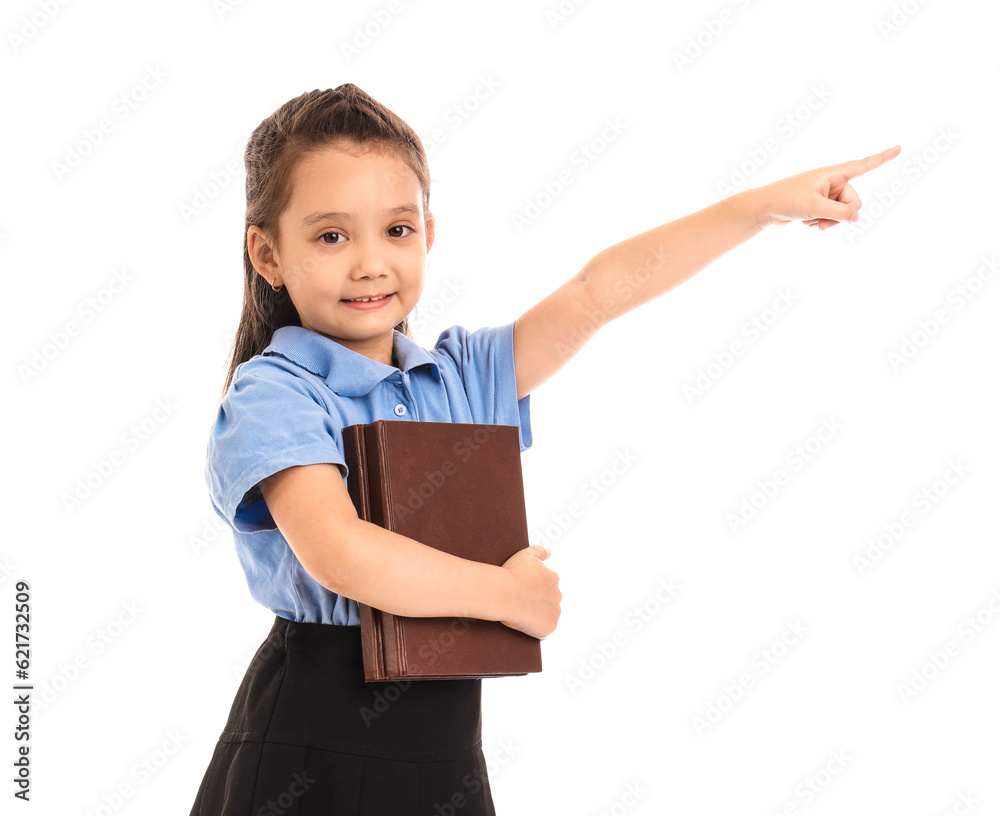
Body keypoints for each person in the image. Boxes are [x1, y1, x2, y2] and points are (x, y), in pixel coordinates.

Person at [188, 82, 900, 814]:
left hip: (444, 743)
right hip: (314, 739)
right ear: (268, 254)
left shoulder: (460, 375)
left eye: (396, 230)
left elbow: (601, 290)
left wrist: (761, 208)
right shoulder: (276, 391)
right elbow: (339, 553)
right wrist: (506, 596)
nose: (371, 262)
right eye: (332, 236)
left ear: (429, 235)